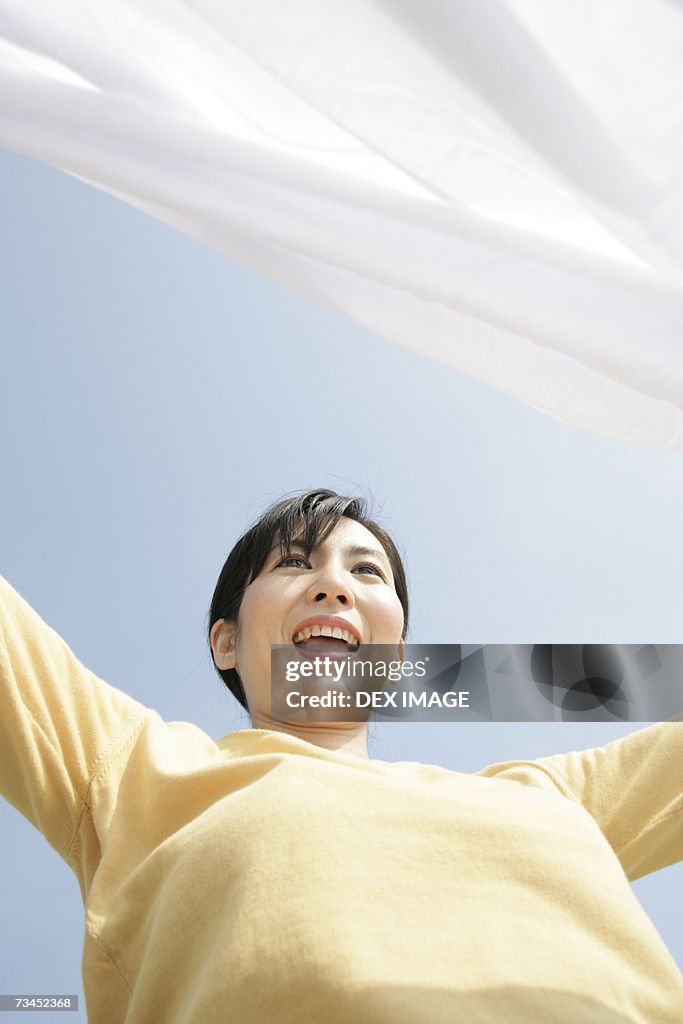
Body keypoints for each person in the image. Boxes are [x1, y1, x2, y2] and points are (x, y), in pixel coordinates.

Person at [1, 487, 682, 1023]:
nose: (334, 586)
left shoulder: (544, 796)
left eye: (366, 572)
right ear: (225, 643)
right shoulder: (137, 771)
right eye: (294, 563)